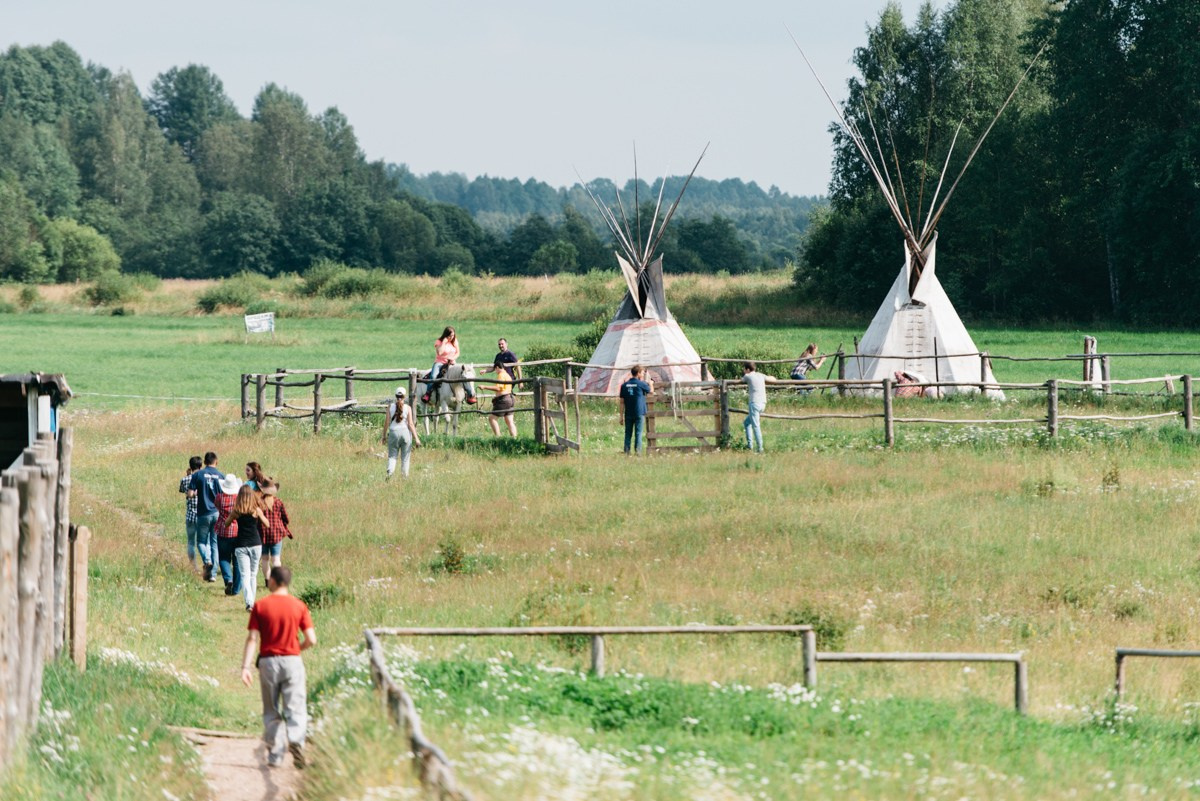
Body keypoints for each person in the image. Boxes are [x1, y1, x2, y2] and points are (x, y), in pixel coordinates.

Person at [241, 566, 316, 770]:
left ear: (272, 581)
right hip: (292, 661)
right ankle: (296, 741)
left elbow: (252, 638)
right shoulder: (299, 606)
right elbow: (311, 639)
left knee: (272, 709)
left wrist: (245, 667)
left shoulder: (261, 606)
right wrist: (295, 649)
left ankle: (275, 753)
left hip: (268, 662)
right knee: (296, 706)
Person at [225, 484, 269, 612]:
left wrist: (233, 518)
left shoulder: (236, 511)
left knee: (244, 575)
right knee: (253, 575)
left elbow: (227, 524)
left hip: (241, 545)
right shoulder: (256, 510)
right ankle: (252, 603)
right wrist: (260, 517)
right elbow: (267, 524)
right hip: (256, 544)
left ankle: (249, 603)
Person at [189, 452, 223, 582]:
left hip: (203, 513)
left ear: (205, 461)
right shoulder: (220, 476)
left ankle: (207, 561)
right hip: (217, 513)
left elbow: (191, 494)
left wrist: (193, 494)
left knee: (201, 542)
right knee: (214, 543)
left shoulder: (198, 474)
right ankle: (213, 574)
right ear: (216, 461)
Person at [421, 326, 477, 405]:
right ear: (445, 335)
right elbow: (439, 353)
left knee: (462, 376)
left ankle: (467, 395)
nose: (451, 337)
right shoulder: (439, 342)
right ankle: (428, 393)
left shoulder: (455, 341)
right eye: (449, 336)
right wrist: (444, 342)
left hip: (452, 363)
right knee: (433, 376)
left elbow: (458, 352)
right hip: (440, 363)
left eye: (453, 335)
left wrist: (452, 358)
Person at [382, 386, 421, 479]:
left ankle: (390, 472)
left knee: (392, 456)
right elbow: (411, 424)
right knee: (405, 458)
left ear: (396, 396)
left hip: (393, 432)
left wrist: (383, 436)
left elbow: (387, 422)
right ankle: (404, 477)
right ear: (405, 396)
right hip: (405, 434)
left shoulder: (390, 407)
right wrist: (417, 438)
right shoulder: (408, 408)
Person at [483, 340, 520, 437]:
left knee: (492, 418)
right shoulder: (498, 357)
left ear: (506, 344)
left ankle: (498, 438)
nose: (500, 345)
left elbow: (517, 365)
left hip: (505, 396)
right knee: (509, 420)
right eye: (499, 344)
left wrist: (485, 387)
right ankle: (514, 439)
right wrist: (486, 371)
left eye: (502, 344)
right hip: (510, 396)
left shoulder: (510, 355)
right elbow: (493, 367)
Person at [258, 478, 291, 586]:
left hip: (262, 534)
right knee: (276, 560)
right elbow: (286, 518)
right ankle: (278, 580)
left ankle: (267, 581)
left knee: (264, 559)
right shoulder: (278, 502)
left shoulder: (259, 502)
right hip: (276, 534)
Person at [215, 473, 242, 595]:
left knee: (224, 558)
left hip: (223, 530)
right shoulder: (238, 498)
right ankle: (236, 589)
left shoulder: (220, 497)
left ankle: (228, 579)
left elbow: (216, 507)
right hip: (237, 531)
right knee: (237, 561)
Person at [742, 361, 777, 453]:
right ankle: (750, 445)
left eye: (744, 369)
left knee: (756, 426)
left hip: (754, 403)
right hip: (763, 403)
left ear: (748, 370)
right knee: (746, 423)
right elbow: (773, 379)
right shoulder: (760, 375)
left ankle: (760, 448)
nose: (743, 370)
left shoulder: (747, 376)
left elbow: (741, 380)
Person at [619, 366, 654, 455]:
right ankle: (638, 452)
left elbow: (622, 402)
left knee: (628, 433)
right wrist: (651, 384)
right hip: (639, 412)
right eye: (642, 373)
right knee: (638, 433)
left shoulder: (624, 385)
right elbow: (651, 391)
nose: (643, 374)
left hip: (628, 413)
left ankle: (627, 451)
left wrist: (621, 416)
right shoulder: (641, 384)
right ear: (638, 373)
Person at [178, 456, 202, 572]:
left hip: (190, 515)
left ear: (190, 466)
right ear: (201, 466)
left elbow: (183, 491)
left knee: (191, 542)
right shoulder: (203, 478)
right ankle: (207, 564)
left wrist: (188, 475)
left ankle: (194, 567)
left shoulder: (185, 480)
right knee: (204, 542)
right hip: (203, 514)